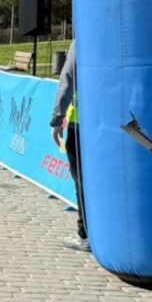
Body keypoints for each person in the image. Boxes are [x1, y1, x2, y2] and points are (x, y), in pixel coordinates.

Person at [50, 42, 88, 251]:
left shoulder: (83, 38)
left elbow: (68, 78)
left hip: (80, 125)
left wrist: (57, 118)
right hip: (110, 124)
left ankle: (85, 234)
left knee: (82, 182)